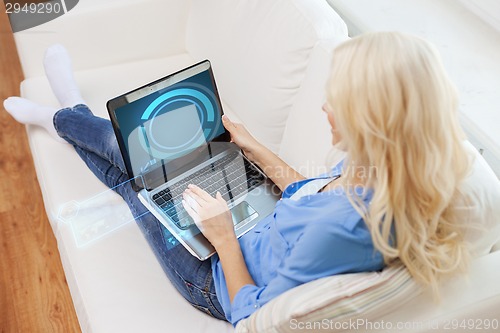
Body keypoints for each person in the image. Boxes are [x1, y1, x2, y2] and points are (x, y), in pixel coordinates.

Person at [4, 32, 499, 326]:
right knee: (148, 162)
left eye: (338, 101)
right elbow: (313, 196)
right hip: (252, 221)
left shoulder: (346, 231)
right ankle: (71, 111)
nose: (325, 107)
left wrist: (221, 237)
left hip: (215, 275)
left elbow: (252, 313)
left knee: (136, 175)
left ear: (372, 120)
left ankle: (61, 115)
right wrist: (255, 148)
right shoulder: (391, 168)